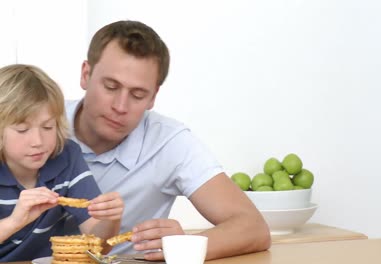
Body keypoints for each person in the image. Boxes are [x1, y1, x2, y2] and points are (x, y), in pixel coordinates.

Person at [65, 20, 271, 260]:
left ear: (153, 97)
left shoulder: (170, 142)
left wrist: (183, 245)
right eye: (110, 87)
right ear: (85, 75)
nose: (120, 106)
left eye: (138, 94)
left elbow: (253, 227)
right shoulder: (37, 124)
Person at [0, 64, 124, 261]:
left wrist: (110, 219)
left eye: (48, 127)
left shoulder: (66, 156)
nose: (38, 142)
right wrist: (15, 221)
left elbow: (98, 244)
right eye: (22, 130)